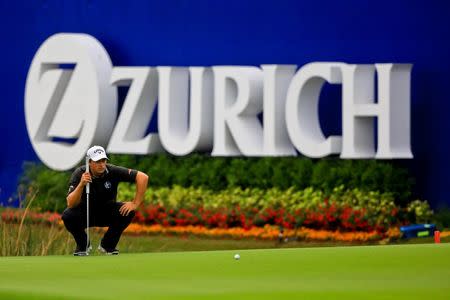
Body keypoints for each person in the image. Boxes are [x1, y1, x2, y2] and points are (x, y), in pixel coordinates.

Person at [62, 145, 148, 256]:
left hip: (107, 212)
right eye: (98, 161)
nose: (102, 164)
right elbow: (70, 203)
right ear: (89, 162)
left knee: (129, 211)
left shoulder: (112, 170)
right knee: (67, 216)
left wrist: (135, 203)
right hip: (86, 213)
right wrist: (81, 185)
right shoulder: (80, 173)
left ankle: (108, 245)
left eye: (103, 160)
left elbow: (143, 177)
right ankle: (83, 245)